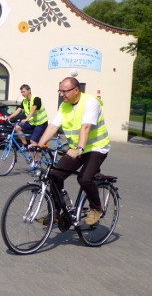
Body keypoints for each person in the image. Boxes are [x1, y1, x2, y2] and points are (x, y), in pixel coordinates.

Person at [37, 77, 109, 226]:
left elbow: (86, 127)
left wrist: (80, 149)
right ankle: (55, 212)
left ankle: (96, 209)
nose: (62, 94)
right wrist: (39, 144)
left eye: (65, 91)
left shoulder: (90, 102)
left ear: (76, 90)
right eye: (60, 91)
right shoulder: (64, 106)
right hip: (77, 149)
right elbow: (53, 127)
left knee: (84, 179)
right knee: (55, 175)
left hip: (96, 148)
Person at [7, 84, 49, 170]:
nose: (22, 93)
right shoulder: (24, 101)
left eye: (24, 91)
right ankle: (25, 145)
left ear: (29, 90)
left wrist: (26, 119)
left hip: (41, 123)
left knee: (33, 141)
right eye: (21, 92)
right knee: (17, 128)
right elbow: (18, 110)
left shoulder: (36, 99)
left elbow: (33, 109)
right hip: (32, 122)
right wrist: (9, 117)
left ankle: (35, 161)